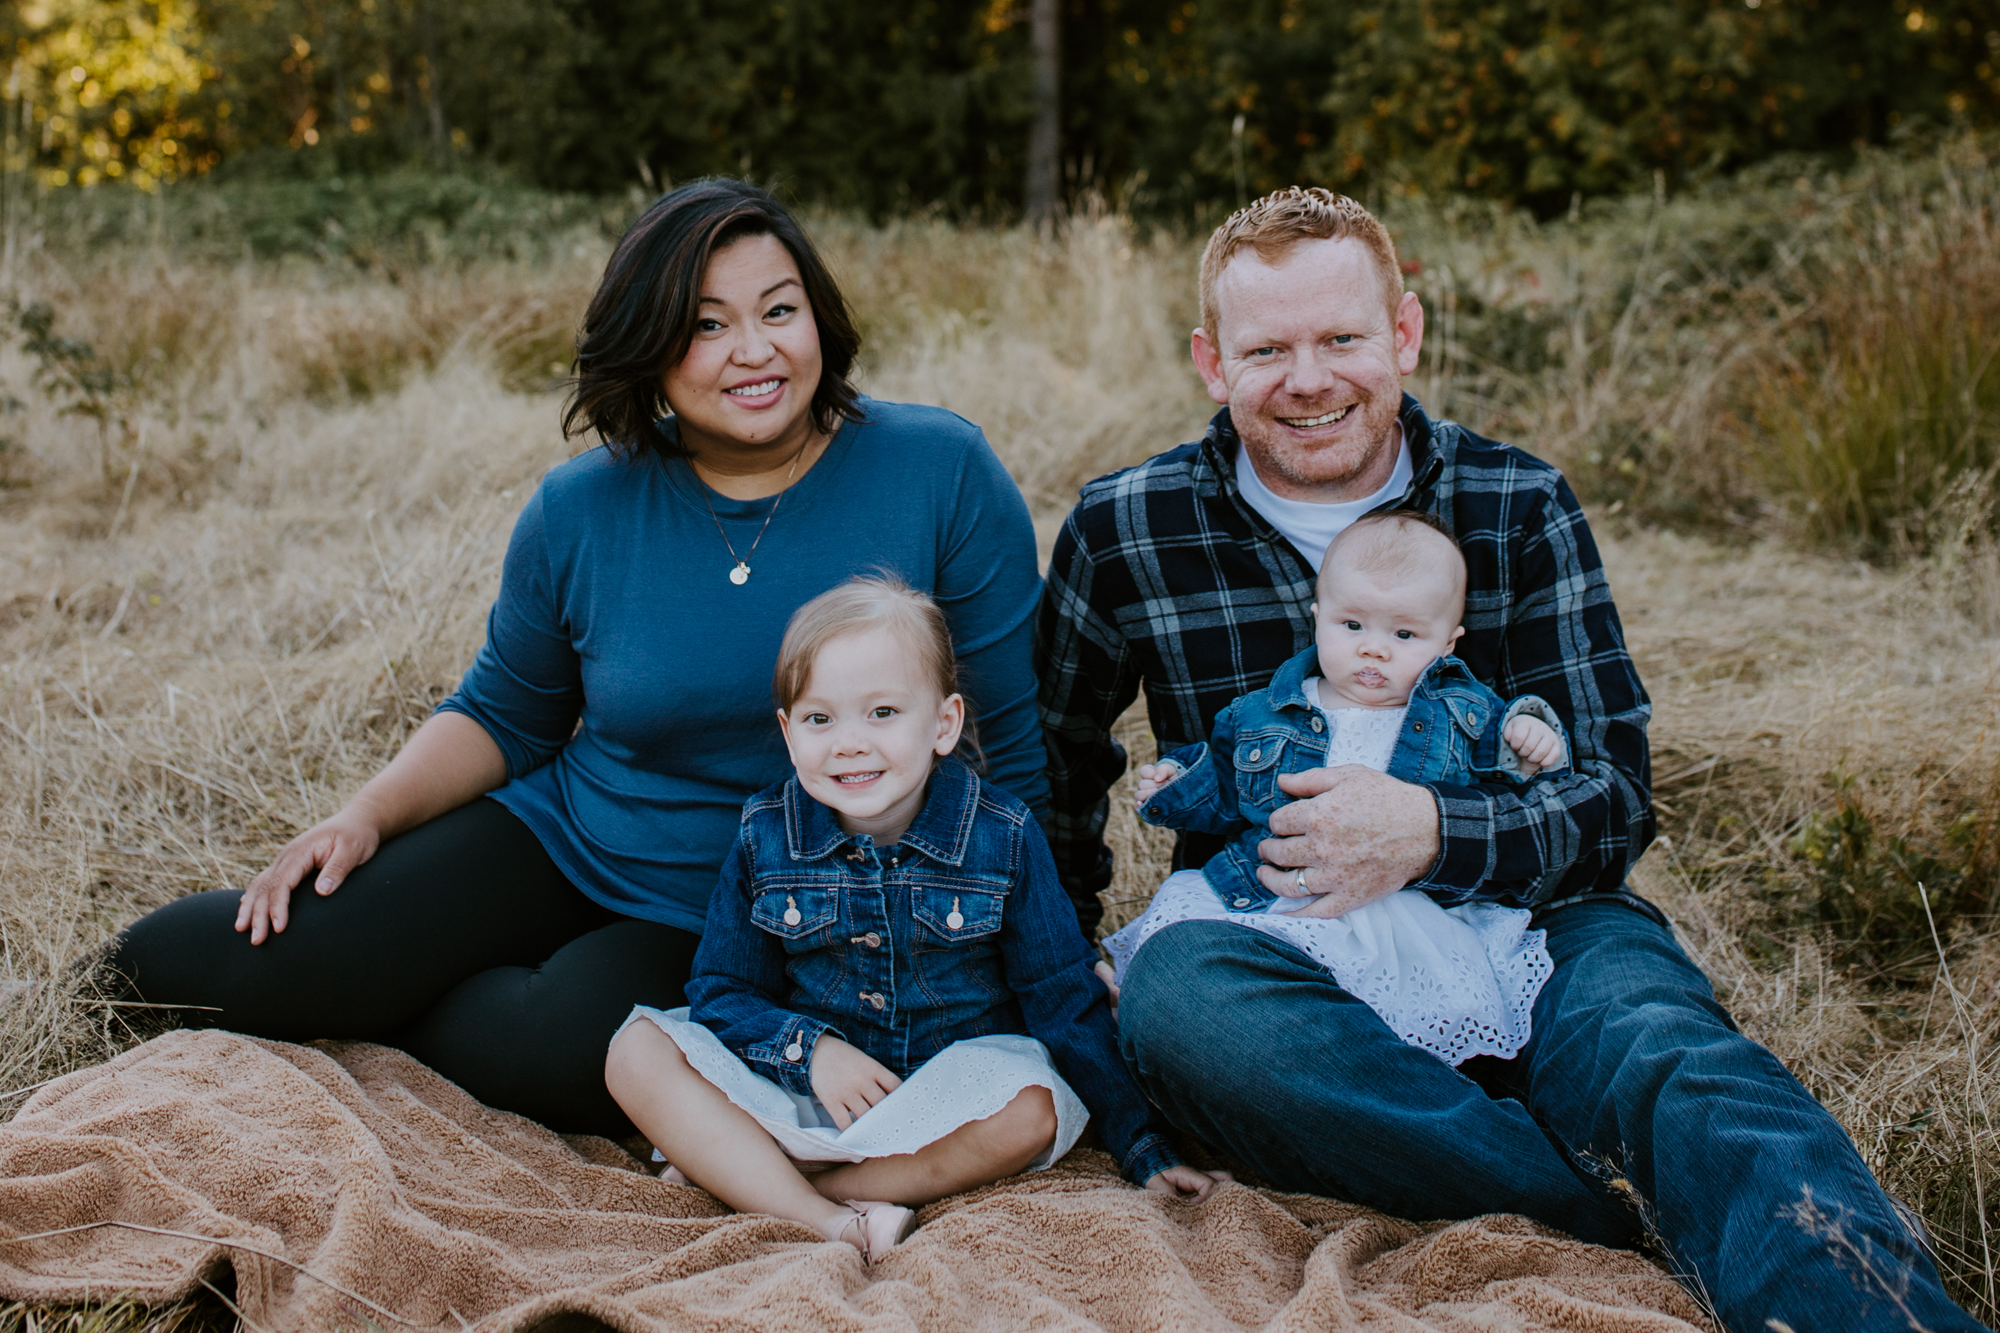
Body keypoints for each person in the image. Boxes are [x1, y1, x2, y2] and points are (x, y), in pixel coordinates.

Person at [1036, 187, 1988, 1332]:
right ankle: (1594, 1208)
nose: (1307, 379)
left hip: (1535, 920)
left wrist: (1431, 832)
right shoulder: (1126, 527)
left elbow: (1613, 797)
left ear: (1403, 334)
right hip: (1277, 936)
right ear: (1209, 361)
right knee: (1178, 1003)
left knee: (1670, 1061)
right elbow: (1052, 769)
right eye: (1265, 350)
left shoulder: (1513, 501)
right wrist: (1065, 965)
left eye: (1340, 338)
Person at [100, 178, 1051, 1139]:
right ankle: (330, 983)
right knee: (207, 962)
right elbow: (506, 711)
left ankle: (391, 1005)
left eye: (778, 311)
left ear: (820, 320)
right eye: (707, 324)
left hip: (746, 908)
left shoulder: (939, 472)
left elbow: (1007, 740)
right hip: (563, 836)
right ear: (648, 345)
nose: (754, 350)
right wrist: (364, 815)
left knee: (551, 1045)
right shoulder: (581, 506)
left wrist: (1042, 944)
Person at [606, 578, 1217, 1262]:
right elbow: (722, 989)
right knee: (636, 1051)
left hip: (942, 1104)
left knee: (1035, 1110)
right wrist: (811, 1052)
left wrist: (1141, 1144)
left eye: (883, 712)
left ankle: (783, 1183)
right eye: (818, 719)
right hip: (805, 1089)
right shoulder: (765, 834)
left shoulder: (1003, 836)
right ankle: (826, 1219)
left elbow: (1062, 996)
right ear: (787, 733)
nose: (848, 743)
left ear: (943, 724)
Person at [1104, 511, 1566, 1068]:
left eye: (1404, 634)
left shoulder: (1463, 715)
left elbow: (1508, 782)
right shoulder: (1264, 713)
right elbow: (1228, 793)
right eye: (1352, 626)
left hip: (1396, 913)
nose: (1374, 650)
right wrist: (1177, 784)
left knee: (1390, 1029)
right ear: (1318, 617)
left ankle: (1382, 1081)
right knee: (1222, 988)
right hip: (1266, 899)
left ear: (1448, 644)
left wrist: (1531, 736)